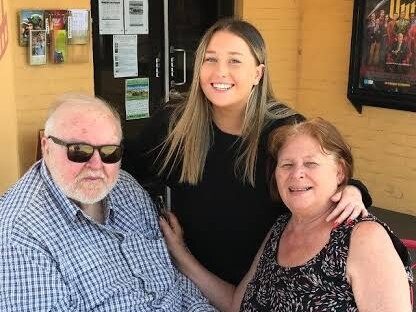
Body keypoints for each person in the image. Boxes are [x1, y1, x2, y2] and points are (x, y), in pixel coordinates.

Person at [122, 18, 372, 285]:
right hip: (193, 283)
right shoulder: (175, 123)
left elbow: (325, 177)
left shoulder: (285, 129)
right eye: (210, 59)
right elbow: (123, 167)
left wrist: (353, 190)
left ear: (258, 73)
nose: (220, 72)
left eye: (235, 61)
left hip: (267, 286)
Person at [161, 117, 413, 312]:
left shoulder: (363, 238)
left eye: (311, 163)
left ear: (339, 172)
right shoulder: (281, 227)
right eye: (287, 165)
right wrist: (180, 254)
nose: (297, 174)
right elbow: (236, 304)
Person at [0, 93, 217, 311]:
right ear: (46, 147)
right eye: (79, 151)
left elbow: (175, 280)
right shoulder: (20, 235)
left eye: (110, 152)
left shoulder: (126, 188)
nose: (96, 165)